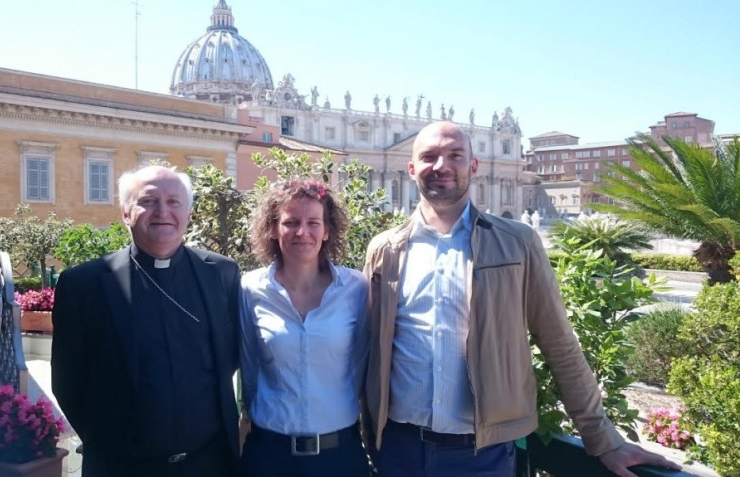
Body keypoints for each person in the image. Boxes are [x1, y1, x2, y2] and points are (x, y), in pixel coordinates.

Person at [362, 122, 682, 476]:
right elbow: (366, 346)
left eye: (455, 155)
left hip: (482, 455)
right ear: (411, 168)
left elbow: (559, 343)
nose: (441, 166)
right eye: (429, 157)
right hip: (397, 449)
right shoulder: (385, 249)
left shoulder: (518, 243)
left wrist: (604, 438)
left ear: (473, 165)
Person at [51, 165, 241, 476]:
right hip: (122, 467)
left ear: (188, 213)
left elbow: (230, 357)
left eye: (173, 202)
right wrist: (106, 442)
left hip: (209, 464)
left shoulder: (222, 273)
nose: (162, 211)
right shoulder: (84, 284)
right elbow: (68, 382)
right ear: (126, 213)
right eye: (148, 201)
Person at [239, 181, 370, 477]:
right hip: (269, 456)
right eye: (291, 222)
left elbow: (362, 365)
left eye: (313, 223)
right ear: (273, 229)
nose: (302, 232)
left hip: (339, 457)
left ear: (327, 231)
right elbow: (249, 368)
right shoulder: (250, 288)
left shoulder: (355, 288)